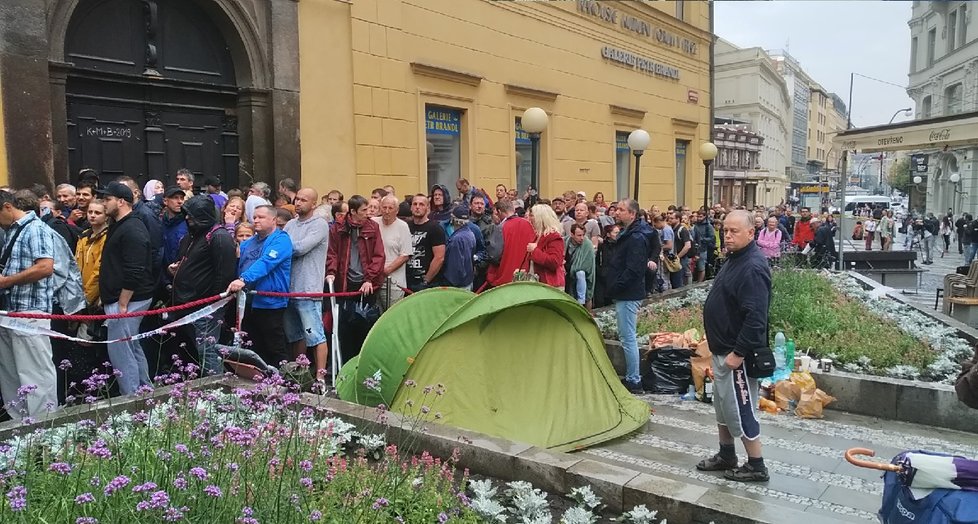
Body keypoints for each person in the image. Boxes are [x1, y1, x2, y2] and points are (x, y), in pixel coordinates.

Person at [697, 210, 771, 482]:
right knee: (723, 406)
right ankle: (726, 454)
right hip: (722, 348)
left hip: (735, 353)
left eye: (734, 231)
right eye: (725, 230)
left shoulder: (752, 266)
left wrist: (738, 353)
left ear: (751, 233)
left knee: (741, 408)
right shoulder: (735, 258)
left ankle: (756, 464)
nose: (727, 236)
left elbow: (756, 318)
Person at [0, 190, 59, 419]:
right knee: (11, 375)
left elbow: (45, 267)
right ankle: (20, 430)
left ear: (7, 207)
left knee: (36, 374)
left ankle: (44, 428)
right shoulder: (11, 232)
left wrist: (6, 281)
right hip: (10, 311)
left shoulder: (36, 228)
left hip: (30, 311)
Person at [97, 182, 155, 395]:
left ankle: (132, 398)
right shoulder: (119, 224)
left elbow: (135, 269)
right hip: (120, 298)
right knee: (130, 347)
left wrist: (122, 302)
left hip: (130, 299)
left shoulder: (132, 228)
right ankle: (144, 391)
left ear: (121, 201)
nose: (104, 204)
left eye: (107, 199)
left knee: (121, 351)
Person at [169, 195, 237, 375]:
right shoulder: (193, 236)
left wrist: (212, 304)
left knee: (208, 351)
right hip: (189, 305)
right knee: (198, 350)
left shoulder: (219, 237)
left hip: (206, 307)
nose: (186, 218)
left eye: (191, 215)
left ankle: (218, 388)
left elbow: (225, 274)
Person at [227, 205, 293, 368]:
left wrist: (243, 279)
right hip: (248, 302)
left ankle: (283, 381)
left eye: (261, 217)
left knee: (274, 345)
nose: (256, 220)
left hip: (270, 302)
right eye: (254, 217)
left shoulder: (281, 240)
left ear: (274, 220)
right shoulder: (247, 243)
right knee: (252, 345)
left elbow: (266, 263)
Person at [606, 198, 658, 394]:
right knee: (627, 336)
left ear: (632, 214)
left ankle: (633, 380)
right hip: (626, 292)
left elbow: (634, 269)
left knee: (628, 338)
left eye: (621, 210)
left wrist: (616, 286)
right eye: (617, 209)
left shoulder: (636, 237)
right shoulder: (630, 234)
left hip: (628, 293)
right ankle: (632, 377)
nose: (617, 212)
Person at [325, 195, 385, 364]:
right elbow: (332, 253)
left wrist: (369, 279)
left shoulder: (373, 227)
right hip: (345, 283)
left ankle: (363, 362)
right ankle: (346, 364)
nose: (368, 213)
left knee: (365, 323)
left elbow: (378, 256)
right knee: (344, 326)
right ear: (352, 212)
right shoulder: (338, 228)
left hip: (366, 284)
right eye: (363, 210)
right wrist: (331, 271)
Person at [283, 188, 330, 381]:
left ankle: (320, 378)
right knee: (296, 335)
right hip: (289, 289)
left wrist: (281, 248)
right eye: (297, 199)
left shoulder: (319, 224)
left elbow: (301, 248)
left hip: (308, 289)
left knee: (315, 335)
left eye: (304, 200)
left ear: (313, 204)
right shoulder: (290, 224)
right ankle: (299, 374)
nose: (298, 202)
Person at [373, 194, 413, 310]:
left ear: (396, 210)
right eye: (384, 207)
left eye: (390, 208)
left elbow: (405, 255)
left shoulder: (403, 226)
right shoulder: (373, 223)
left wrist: (386, 271)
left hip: (394, 282)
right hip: (374, 279)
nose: (386, 211)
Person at [406, 195, 446, 293]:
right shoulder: (405, 226)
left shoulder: (435, 228)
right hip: (407, 280)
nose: (417, 207)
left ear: (427, 208)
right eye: (415, 204)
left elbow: (439, 257)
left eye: (421, 204)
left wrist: (426, 280)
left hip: (427, 282)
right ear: (411, 207)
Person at [526, 204, 565, 288]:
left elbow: (554, 262)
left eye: (532, 216)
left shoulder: (554, 237)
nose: (529, 219)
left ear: (540, 218)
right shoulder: (538, 236)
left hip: (550, 285)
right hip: (539, 284)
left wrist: (535, 250)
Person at [442, 206, 477, 290]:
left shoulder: (456, 240)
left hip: (458, 286)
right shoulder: (470, 234)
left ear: (453, 219)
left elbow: (455, 267)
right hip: (468, 281)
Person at [564, 223, 595, 307]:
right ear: (572, 234)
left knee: (580, 273)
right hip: (566, 271)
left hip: (581, 276)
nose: (582, 238)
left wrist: (574, 269)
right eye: (579, 235)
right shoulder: (565, 242)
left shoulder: (587, 244)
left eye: (583, 235)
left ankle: (581, 301)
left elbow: (588, 263)